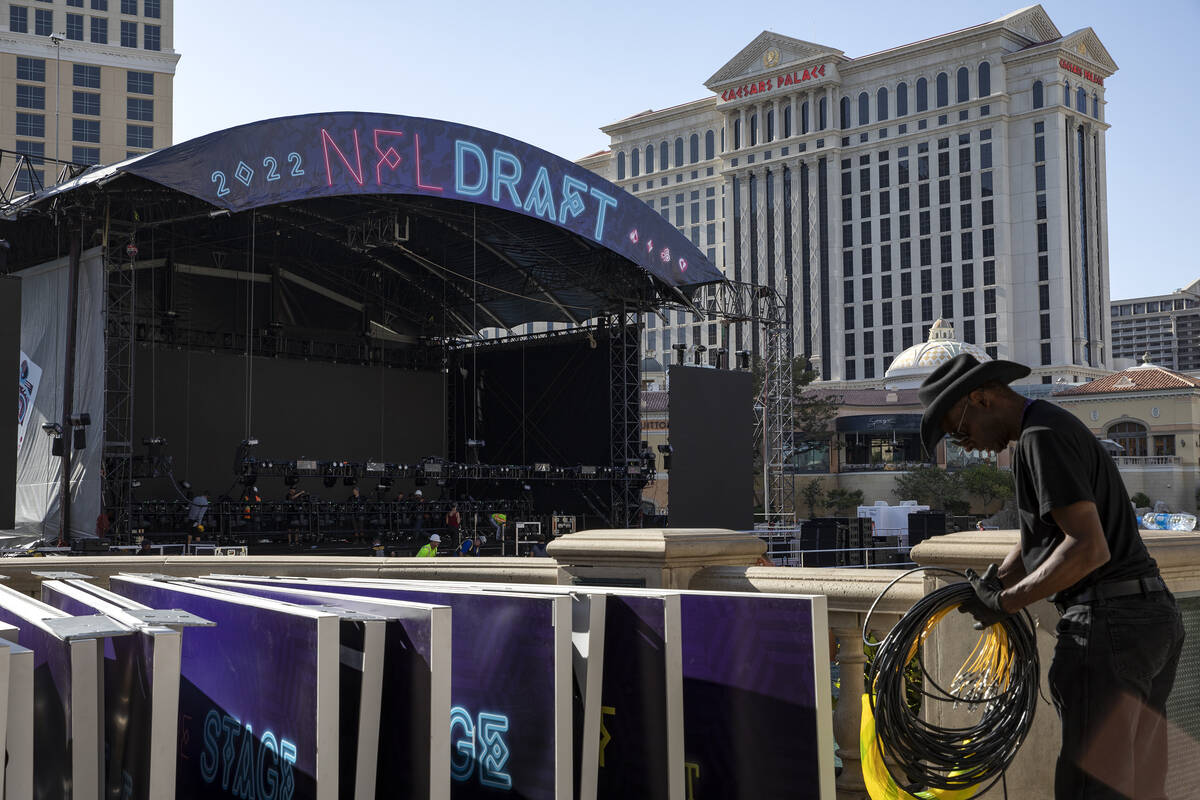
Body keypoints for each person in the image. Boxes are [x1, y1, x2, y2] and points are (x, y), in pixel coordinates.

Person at [918, 353, 1184, 800]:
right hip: (1148, 620)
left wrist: (1007, 603)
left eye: (960, 431)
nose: (966, 446)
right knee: (1138, 782)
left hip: (1108, 626)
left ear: (980, 398)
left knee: (1091, 787)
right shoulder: (1044, 430)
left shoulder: (1042, 438)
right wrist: (998, 581)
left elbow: (1087, 547)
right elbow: (1044, 535)